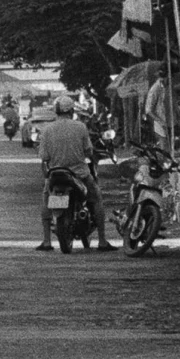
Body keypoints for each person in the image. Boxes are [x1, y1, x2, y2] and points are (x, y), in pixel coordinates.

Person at [37, 95, 113, 253]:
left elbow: (44, 157)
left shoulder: (46, 130)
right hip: (79, 174)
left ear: (56, 111)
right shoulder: (80, 127)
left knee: (46, 199)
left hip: (55, 175)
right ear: (71, 110)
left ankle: (46, 241)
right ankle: (102, 241)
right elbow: (88, 151)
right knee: (96, 198)